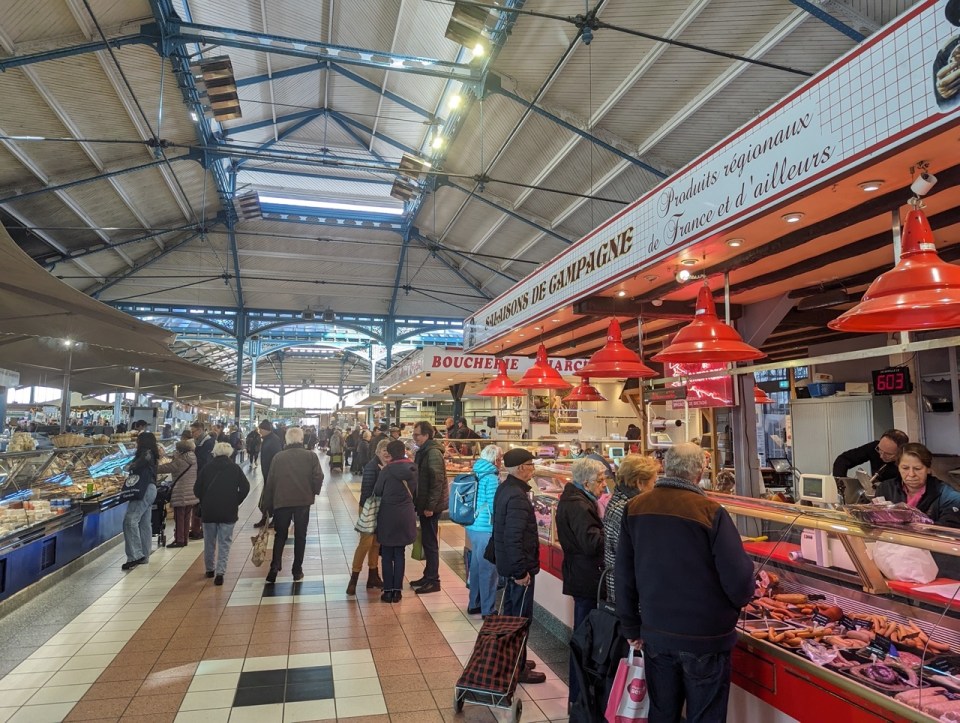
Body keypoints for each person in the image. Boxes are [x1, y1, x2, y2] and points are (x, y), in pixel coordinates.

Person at [616, 442, 754, 722]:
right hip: (705, 637)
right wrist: (736, 606)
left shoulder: (635, 507)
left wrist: (630, 624)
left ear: (665, 467)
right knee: (705, 716)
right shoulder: (710, 512)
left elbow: (624, 573)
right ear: (700, 471)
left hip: (656, 633)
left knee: (662, 712)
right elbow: (739, 581)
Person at [490, 447, 546, 684]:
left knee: (512, 616)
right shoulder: (517, 497)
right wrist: (520, 571)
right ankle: (517, 667)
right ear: (521, 468)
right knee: (520, 619)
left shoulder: (506, 488)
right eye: (531, 465)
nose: (533, 469)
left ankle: (512, 658)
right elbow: (513, 537)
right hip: (517, 569)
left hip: (508, 565)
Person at [556, 457, 608, 707]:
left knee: (584, 636)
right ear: (586, 481)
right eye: (600, 480)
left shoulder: (576, 498)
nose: (604, 484)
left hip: (582, 574)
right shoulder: (579, 504)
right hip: (587, 577)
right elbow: (591, 543)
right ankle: (579, 700)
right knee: (584, 639)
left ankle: (580, 698)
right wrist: (611, 530)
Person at [262, 427, 324, 583]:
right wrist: (313, 492)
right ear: (301, 439)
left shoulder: (278, 457)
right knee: (300, 536)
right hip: (303, 502)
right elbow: (319, 476)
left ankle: (274, 568)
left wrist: (267, 504)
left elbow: (270, 482)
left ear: (287, 440)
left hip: (282, 501)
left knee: (280, 535)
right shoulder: (311, 456)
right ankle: (297, 570)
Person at [603, 454, 659, 602]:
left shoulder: (618, 501)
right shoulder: (628, 510)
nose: (654, 488)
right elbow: (638, 555)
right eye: (653, 482)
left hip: (621, 590)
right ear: (640, 483)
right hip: (628, 595)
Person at [194, 441, 250, 584]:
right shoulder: (234, 468)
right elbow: (245, 487)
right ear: (229, 453)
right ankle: (220, 573)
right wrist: (235, 500)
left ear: (215, 452)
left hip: (209, 511)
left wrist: (205, 500)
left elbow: (197, 489)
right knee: (224, 543)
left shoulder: (207, 468)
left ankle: (209, 569)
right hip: (228, 511)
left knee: (209, 542)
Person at [374, 440, 418, 602]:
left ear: (391, 453)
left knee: (386, 554)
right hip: (406, 514)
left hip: (388, 514)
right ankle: (397, 591)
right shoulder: (413, 468)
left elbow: (377, 491)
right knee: (400, 553)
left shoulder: (387, 470)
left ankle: (388, 591)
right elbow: (417, 491)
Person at [874, 442, 960, 523]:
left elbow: (949, 528)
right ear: (898, 468)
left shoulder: (948, 496)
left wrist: (920, 521)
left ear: (928, 469)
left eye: (917, 469)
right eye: (905, 468)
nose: (911, 474)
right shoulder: (885, 488)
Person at [409, 421, 448, 594]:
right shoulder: (424, 451)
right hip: (425, 503)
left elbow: (437, 480)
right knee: (427, 540)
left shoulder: (432, 453)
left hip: (431, 506)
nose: (414, 437)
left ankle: (434, 580)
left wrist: (430, 506)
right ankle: (428, 575)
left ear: (426, 435)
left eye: (417, 434)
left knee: (431, 543)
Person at [465, 444, 503, 618]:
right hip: (486, 528)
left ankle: (474, 603)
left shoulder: (477, 471)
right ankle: (488, 610)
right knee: (488, 569)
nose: (501, 462)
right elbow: (495, 505)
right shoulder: (492, 478)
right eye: (500, 459)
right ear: (495, 459)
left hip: (473, 526)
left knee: (476, 566)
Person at [347, 438, 388, 595]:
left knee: (376, 543)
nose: (386, 454)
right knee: (366, 542)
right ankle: (354, 578)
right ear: (378, 451)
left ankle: (373, 576)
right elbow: (370, 491)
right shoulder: (373, 466)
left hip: (379, 508)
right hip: (369, 507)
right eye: (383, 450)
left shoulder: (383, 466)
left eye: (388, 451)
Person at [121, 432, 160, 571]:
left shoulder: (146, 452)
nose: (136, 442)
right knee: (144, 523)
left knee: (130, 520)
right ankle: (144, 555)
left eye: (138, 440)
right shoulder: (154, 454)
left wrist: (128, 467)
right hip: (150, 489)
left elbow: (141, 462)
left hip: (143, 490)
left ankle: (135, 556)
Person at [157, 437, 198, 548]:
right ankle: (184, 539)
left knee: (179, 517)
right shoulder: (193, 458)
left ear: (180, 450)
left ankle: (179, 540)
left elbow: (165, 468)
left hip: (181, 492)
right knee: (186, 517)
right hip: (191, 491)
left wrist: (152, 466)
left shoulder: (180, 461)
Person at [833, 429, 909, 488]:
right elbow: (843, 460)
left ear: (901, 452)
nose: (881, 456)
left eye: (888, 454)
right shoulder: (873, 447)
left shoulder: (909, 461)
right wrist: (840, 484)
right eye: (880, 450)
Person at [254, 419, 283, 528]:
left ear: (265, 429)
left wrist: (273, 474)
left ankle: (274, 519)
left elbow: (277, 458)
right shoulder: (268, 439)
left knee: (272, 499)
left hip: (272, 475)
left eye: (260, 429)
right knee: (266, 499)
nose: (259, 431)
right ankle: (265, 518)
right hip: (268, 475)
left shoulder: (273, 441)